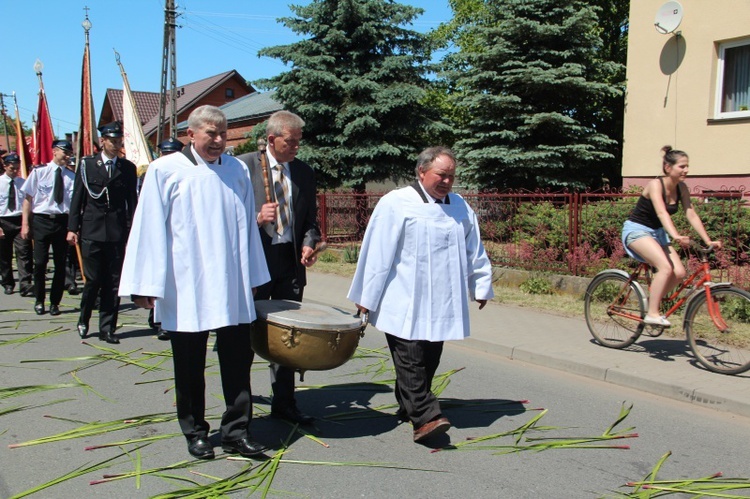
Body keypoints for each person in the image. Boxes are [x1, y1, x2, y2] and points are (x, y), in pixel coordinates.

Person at [119, 105, 270, 460]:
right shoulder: (165, 170)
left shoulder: (236, 170)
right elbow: (148, 227)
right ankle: (195, 430)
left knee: (237, 360)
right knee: (189, 363)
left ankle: (236, 430)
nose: (218, 140)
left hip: (231, 282)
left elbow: (247, 225)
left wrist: (251, 277)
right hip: (186, 283)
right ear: (191, 135)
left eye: (223, 133)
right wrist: (146, 284)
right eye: (210, 134)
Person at [347, 146, 494, 443]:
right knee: (410, 358)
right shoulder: (397, 204)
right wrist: (366, 297)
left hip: (442, 301)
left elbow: (474, 249)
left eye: (452, 176)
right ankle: (426, 417)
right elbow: (377, 253)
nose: (447, 182)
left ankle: (408, 404)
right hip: (402, 299)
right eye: (442, 175)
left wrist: (480, 285)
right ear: (422, 171)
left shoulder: (461, 207)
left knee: (429, 358)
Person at [236, 110, 321, 425]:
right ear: (271, 139)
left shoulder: (303, 172)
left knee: (288, 337)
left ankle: (284, 403)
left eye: (300, 141)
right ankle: (240, 410)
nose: (297, 147)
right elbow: (225, 219)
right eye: (291, 141)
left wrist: (311, 243)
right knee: (244, 338)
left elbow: (311, 220)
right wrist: (256, 219)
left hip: (288, 263)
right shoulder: (243, 167)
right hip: (255, 262)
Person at [621, 146, 722, 327]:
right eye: (682, 166)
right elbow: (661, 212)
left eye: (687, 166)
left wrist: (708, 240)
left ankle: (653, 302)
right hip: (637, 231)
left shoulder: (681, 188)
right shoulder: (655, 185)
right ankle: (652, 313)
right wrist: (675, 235)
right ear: (668, 167)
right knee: (665, 268)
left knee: (680, 273)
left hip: (657, 234)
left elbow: (690, 213)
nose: (686, 170)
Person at [67, 122, 138, 344]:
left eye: (119, 141)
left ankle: (107, 327)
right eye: (113, 141)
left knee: (113, 283)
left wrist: (134, 231)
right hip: (92, 230)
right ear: (103, 141)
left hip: (116, 233)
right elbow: (77, 199)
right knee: (93, 280)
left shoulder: (127, 168)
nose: (117, 145)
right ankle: (84, 317)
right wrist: (72, 228)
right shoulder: (88, 165)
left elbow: (131, 203)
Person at [21, 139, 76, 316]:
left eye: (69, 153)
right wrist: (25, 224)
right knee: (40, 263)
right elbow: (28, 200)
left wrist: (73, 227)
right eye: (64, 152)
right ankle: (39, 300)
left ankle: (55, 302)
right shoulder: (39, 172)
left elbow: (74, 205)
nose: (67, 156)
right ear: (54, 151)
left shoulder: (71, 176)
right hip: (42, 220)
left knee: (61, 265)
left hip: (61, 222)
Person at [150, 136, 185, 341]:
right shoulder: (156, 171)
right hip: (159, 230)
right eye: (166, 153)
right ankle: (160, 320)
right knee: (158, 278)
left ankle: (165, 322)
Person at [0, 153, 33, 296]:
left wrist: (27, 223)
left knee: (24, 253)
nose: (15, 171)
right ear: (5, 166)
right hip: (3, 220)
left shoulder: (23, 183)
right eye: (12, 168)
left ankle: (25, 284)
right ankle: (8, 283)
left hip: (19, 220)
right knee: (4, 255)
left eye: (17, 168)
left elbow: (28, 203)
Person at [64, 156, 81, 296]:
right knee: (65, 254)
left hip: (75, 217)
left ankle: (71, 281)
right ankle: (68, 280)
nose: (71, 167)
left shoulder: (75, 178)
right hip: (61, 217)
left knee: (73, 253)